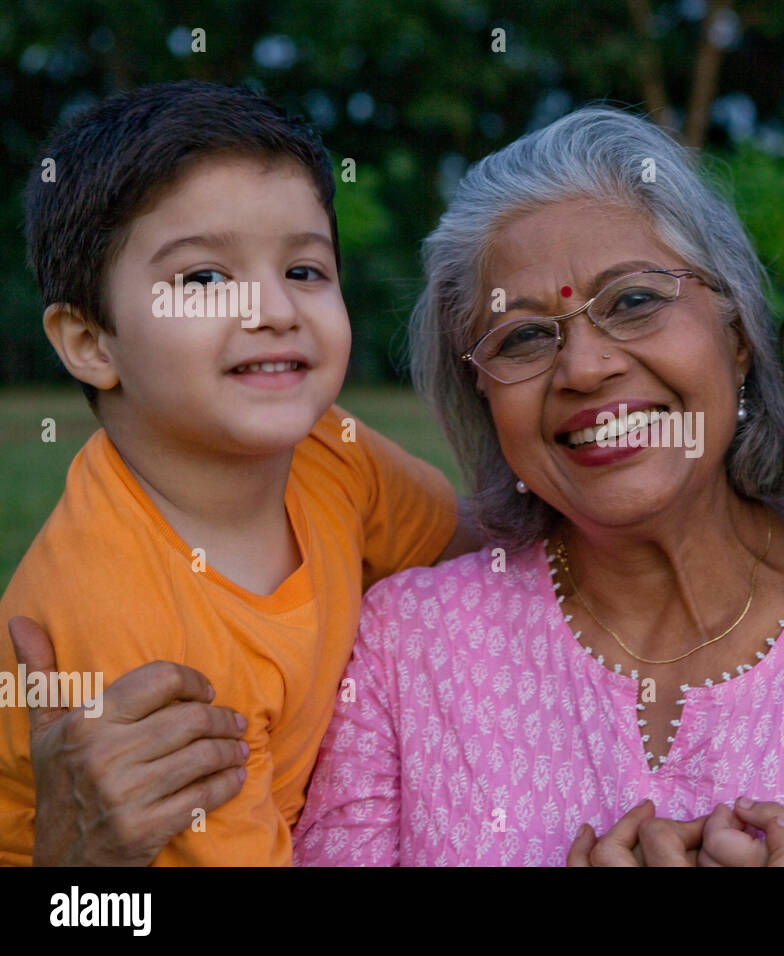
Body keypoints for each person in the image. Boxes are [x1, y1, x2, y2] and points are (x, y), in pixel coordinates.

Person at [292, 107, 784, 866]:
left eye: (633, 301)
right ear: (483, 399)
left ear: (736, 337)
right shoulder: (408, 648)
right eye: (524, 336)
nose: (586, 368)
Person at [0, 81, 477, 866]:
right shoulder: (128, 624)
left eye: (304, 270)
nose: (275, 310)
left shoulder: (331, 450)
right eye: (204, 279)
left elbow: (473, 546)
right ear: (90, 342)